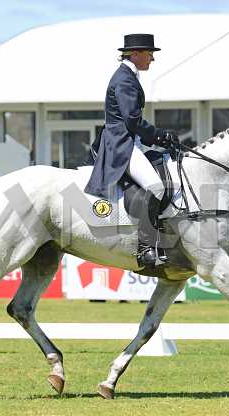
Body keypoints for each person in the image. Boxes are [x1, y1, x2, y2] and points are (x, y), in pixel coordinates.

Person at [84, 33, 177, 267]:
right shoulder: (125, 79)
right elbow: (132, 120)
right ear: (135, 53)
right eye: (149, 54)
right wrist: (159, 135)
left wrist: (158, 138)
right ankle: (145, 248)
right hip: (122, 145)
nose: (152, 59)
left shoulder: (129, 76)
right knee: (156, 187)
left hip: (129, 141)